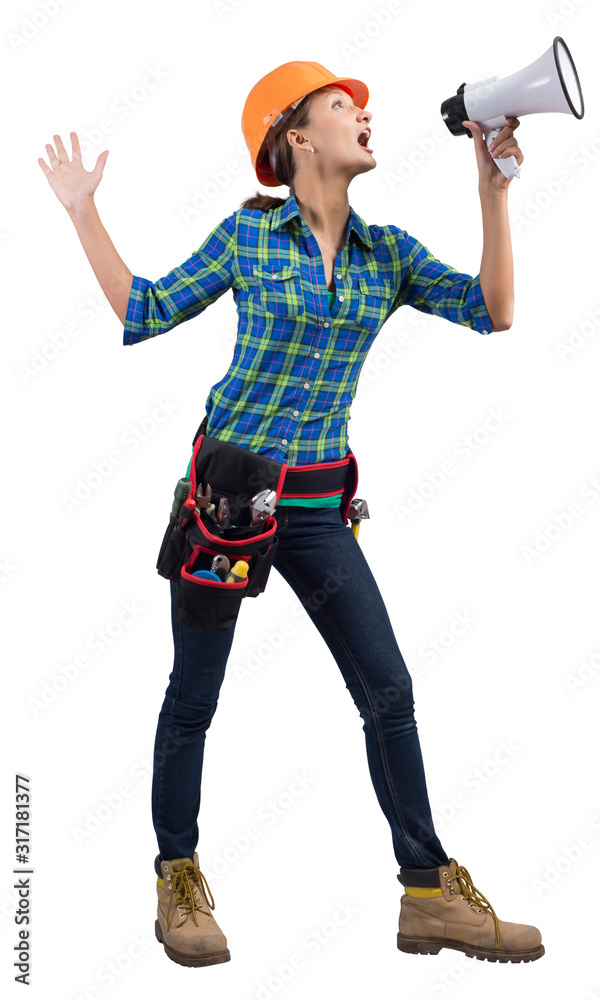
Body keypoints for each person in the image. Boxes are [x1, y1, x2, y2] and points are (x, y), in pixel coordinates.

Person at [38, 60, 543, 969]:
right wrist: (83, 211)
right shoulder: (249, 234)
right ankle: (177, 879)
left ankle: (428, 894)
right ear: (296, 138)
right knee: (194, 700)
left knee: (388, 691)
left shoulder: (386, 255)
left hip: (316, 510)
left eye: (364, 106)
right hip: (228, 502)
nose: (365, 115)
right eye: (343, 106)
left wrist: (491, 189)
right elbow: (144, 309)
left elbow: (493, 310)